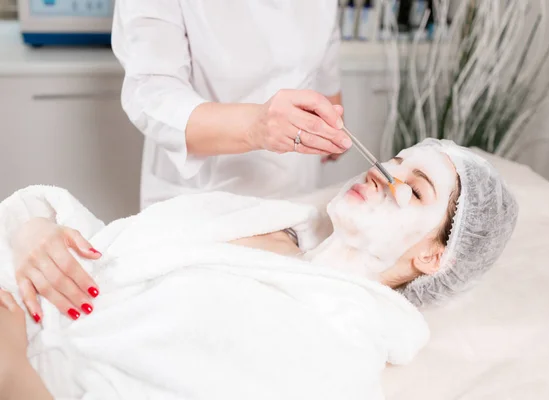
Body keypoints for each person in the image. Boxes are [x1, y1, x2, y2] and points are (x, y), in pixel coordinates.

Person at [0, 139, 518, 398]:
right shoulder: (267, 218)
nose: (386, 175)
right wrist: (34, 230)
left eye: (415, 187)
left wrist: (16, 374)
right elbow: (104, 247)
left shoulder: (336, 353)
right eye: (397, 160)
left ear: (432, 257)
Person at [111, 0, 351, 209]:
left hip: (297, 195)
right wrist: (256, 126)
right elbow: (153, 93)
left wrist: (332, 125)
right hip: (201, 202)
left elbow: (323, 61)